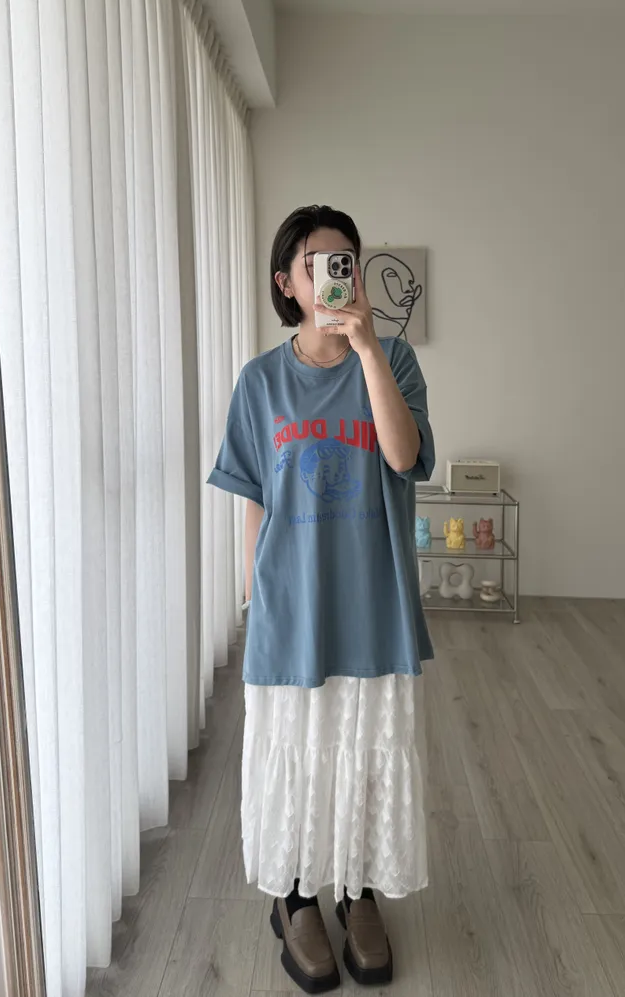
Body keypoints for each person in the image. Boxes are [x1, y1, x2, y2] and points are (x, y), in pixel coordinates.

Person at [209, 205, 435, 994]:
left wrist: (368, 347)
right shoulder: (259, 381)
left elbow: (403, 456)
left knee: (365, 752)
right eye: (317, 265)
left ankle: (359, 889)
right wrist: (255, 603)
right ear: (288, 283)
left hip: (374, 601)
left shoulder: (394, 358)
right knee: (299, 755)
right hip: (292, 606)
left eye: (347, 261)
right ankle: (297, 896)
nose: (336, 276)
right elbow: (254, 501)